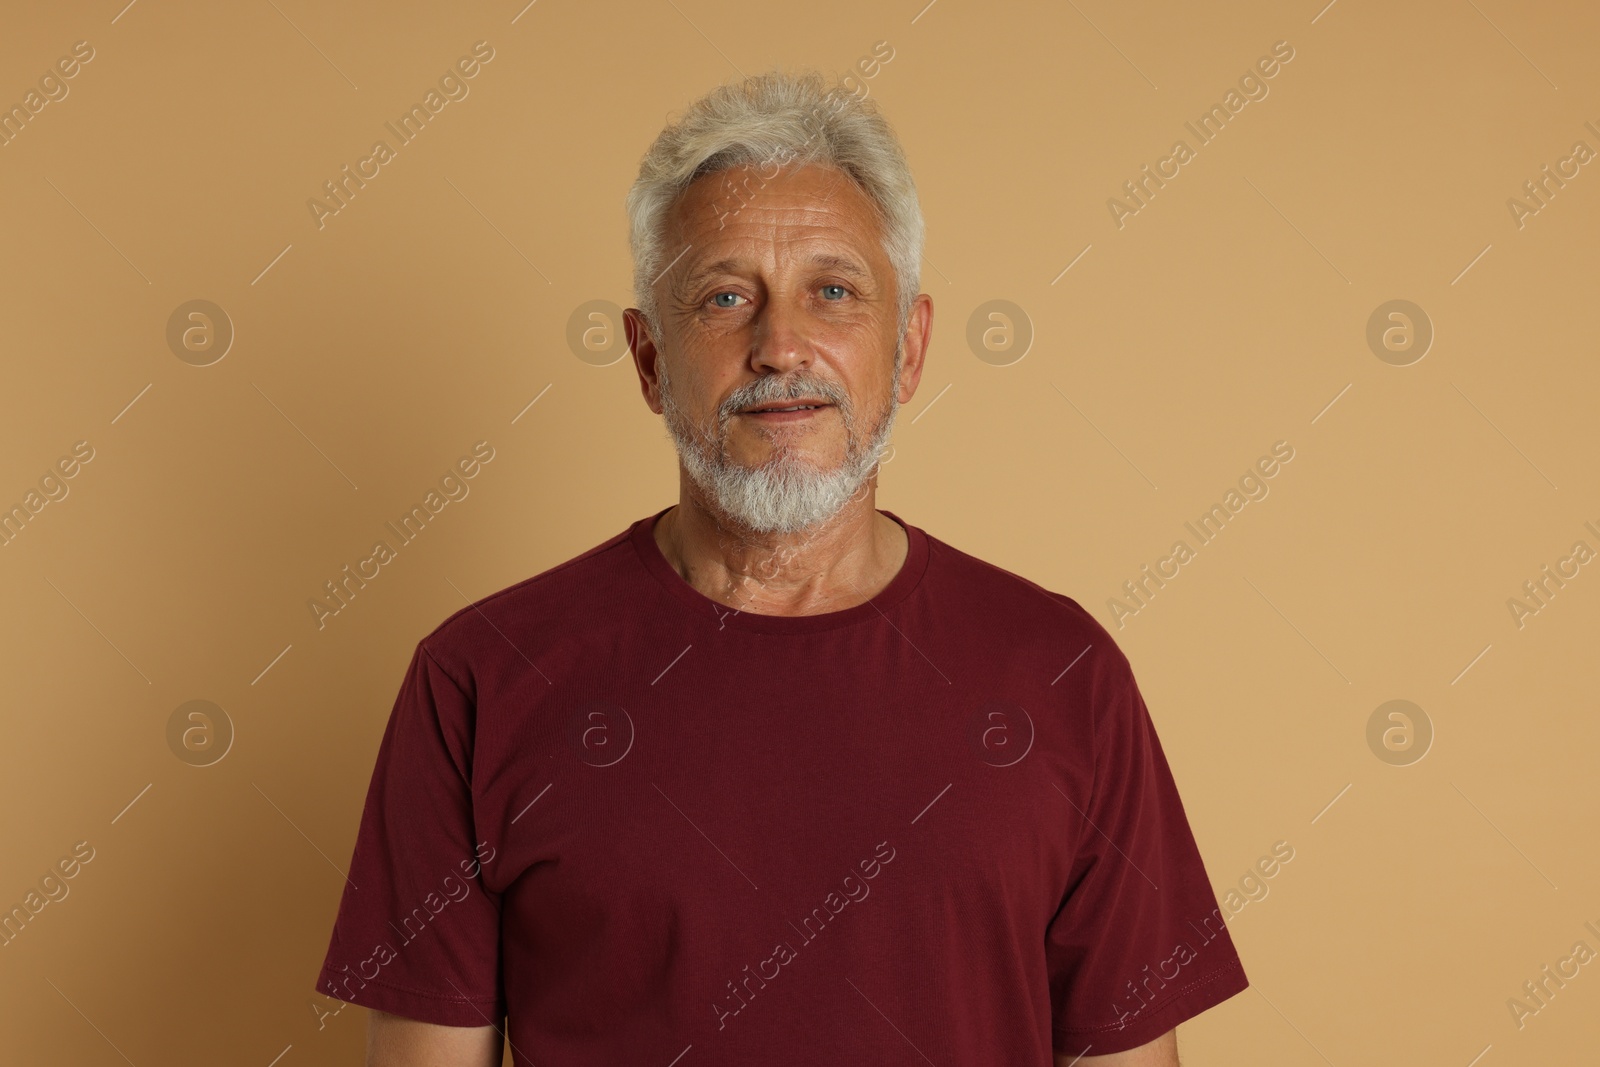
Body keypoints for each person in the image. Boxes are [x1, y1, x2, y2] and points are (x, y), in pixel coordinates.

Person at [316, 68, 1248, 1067]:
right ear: (648, 359)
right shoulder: (479, 678)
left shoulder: (1062, 673)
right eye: (723, 297)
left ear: (909, 347)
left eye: (832, 291)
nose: (780, 345)